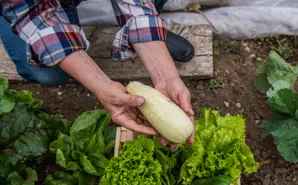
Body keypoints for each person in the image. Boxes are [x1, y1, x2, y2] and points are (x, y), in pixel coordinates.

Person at [0, 0, 195, 150]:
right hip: (29, 6)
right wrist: (100, 83)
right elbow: (31, 12)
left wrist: (166, 75)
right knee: (50, 73)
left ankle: (148, 32)